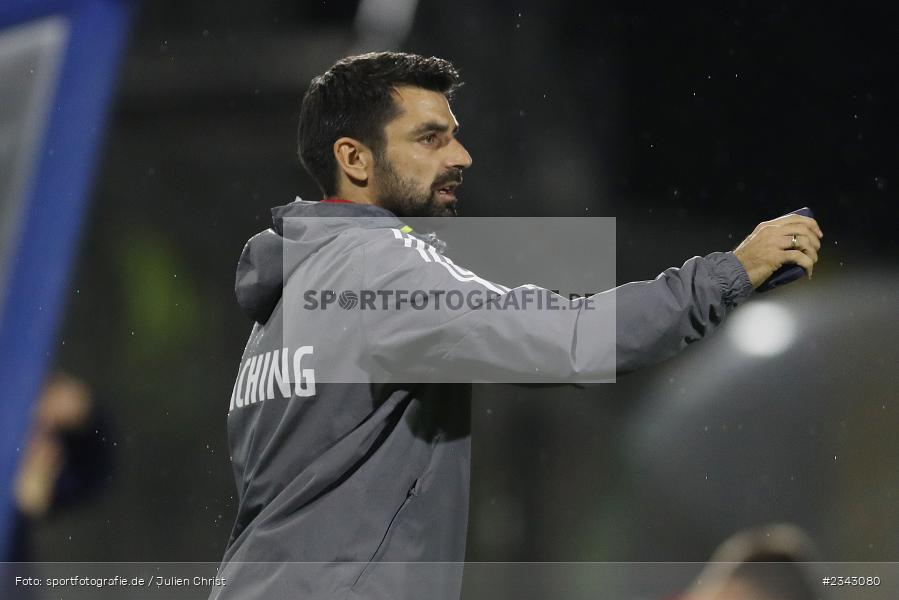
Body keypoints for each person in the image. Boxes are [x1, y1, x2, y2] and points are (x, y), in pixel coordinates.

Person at [210, 52, 822, 600]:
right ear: (354, 158)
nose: (461, 156)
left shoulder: (283, 305)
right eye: (430, 139)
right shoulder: (380, 265)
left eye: (455, 136)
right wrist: (727, 275)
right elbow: (569, 340)